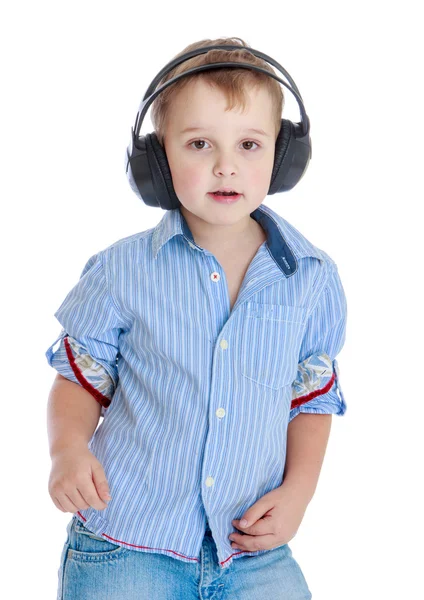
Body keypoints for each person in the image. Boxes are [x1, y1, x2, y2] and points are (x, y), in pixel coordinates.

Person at [46, 36, 348, 600]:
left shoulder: (310, 277)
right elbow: (80, 375)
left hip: (250, 548)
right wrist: (68, 449)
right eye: (199, 143)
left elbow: (311, 397)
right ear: (157, 159)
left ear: (283, 157)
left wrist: (300, 492)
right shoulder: (121, 270)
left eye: (251, 144)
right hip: (128, 542)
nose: (226, 165)